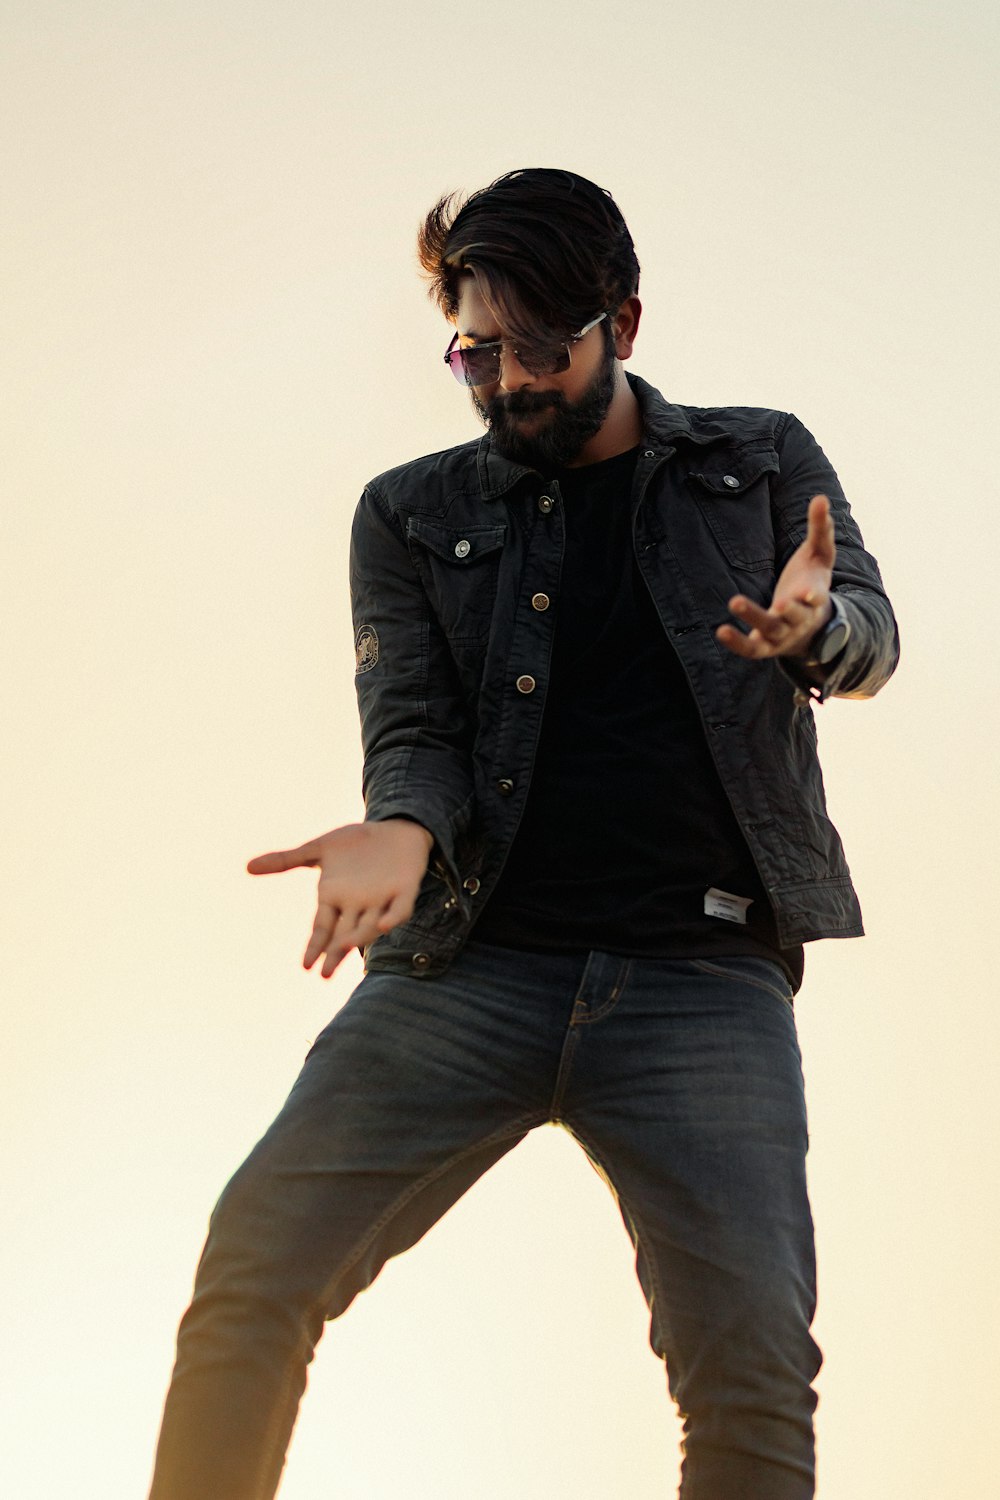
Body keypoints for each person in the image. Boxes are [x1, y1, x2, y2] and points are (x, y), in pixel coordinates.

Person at [148, 167, 898, 1500]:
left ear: (626, 321)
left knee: (754, 1374)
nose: (510, 384)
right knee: (254, 1268)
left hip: (701, 981)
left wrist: (815, 633)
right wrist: (400, 829)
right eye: (476, 354)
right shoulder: (414, 514)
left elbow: (868, 636)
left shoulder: (760, 459)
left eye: (543, 350)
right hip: (469, 968)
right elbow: (418, 731)